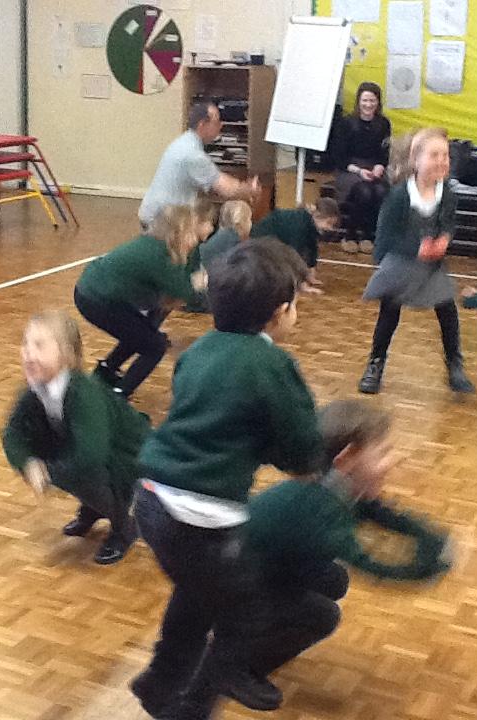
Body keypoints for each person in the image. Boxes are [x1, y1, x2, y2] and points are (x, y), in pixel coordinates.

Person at [129, 239, 324, 719]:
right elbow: (301, 450)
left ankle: (160, 680)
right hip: (202, 518)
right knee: (247, 613)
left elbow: (211, 421)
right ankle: (194, 705)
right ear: (279, 313)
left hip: (151, 501)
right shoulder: (274, 365)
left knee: (197, 592)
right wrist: (305, 460)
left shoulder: (198, 351)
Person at [170, 399, 450, 718]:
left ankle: (239, 650)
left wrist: (431, 536)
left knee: (334, 581)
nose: (393, 459)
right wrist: (434, 565)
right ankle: (228, 674)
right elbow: (374, 565)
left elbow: (384, 514)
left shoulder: (336, 483)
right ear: (347, 459)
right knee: (322, 616)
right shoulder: (318, 513)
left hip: (250, 564)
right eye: (383, 452)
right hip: (228, 585)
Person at [0, 312, 150, 564]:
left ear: (67, 355)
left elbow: (91, 455)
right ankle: (94, 507)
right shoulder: (35, 390)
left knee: (83, 470)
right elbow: (12, 433)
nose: (28, 353)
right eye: (25, 344)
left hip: (131, 457)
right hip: (100, 456)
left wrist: (47, 472)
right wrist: (28, 463)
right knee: (59, 456)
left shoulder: (83, 393)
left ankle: (124, 526)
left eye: (39, 345)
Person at [358, 127, 475, 396]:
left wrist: (444, 238)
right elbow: (386, 237)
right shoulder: (399, 196)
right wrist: (412, 250)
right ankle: (375, 364)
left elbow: (448, 223)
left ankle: (455, 366)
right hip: (400, 264)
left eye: (445, 155)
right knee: (389, 312)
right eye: (434, 155)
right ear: (416, 160)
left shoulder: (447, 194)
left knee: (447, 309)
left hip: (431, 266)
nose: (441, 161)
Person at [74, 205, 207, 398]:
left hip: (93, 291)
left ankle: (106, 370)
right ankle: (120, 395)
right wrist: (198, 282)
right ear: (177, 234)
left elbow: (175, 288)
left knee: (143, 332)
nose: (194, 238)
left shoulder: (155, 245)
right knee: (155, 347)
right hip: (96, 298)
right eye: (191, 232)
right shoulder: (159, 255)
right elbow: (187, 293)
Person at [138, 101, 261, 227]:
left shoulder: (184, 141)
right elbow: (227, 189)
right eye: (216, 122)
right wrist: (250, 189)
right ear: (202, 125)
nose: (221, 125)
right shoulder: (193, 155)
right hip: (162, 222)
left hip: (158, 213)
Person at [330, 82, 392, 253]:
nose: (368, 105)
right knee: (364, 192)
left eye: (372, 101)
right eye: (365, 100)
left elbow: (384, 152)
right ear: (358, 101)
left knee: (381, 190)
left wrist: (379, 166)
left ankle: (368, 235)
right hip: (350, 169)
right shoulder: (346, 123)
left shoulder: (383, 123)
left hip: (373, 168)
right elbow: (339, 157)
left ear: (378, 102)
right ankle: (350, 234)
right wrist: (358, 170)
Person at [249, 198, 341, 287]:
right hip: (261, 241)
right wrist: (302, 284)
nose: (330, 228)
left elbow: (312, 248)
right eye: (328, 223)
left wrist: (310, 275)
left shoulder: (311, 224)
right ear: (318, 215)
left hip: (272, 241)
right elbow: (295, 255)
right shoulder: (300, 224)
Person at [200, 200, 252, 272]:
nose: (251, 223)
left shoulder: (210, 243)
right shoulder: (240, 247)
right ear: (239, 223)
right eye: (249, 219)